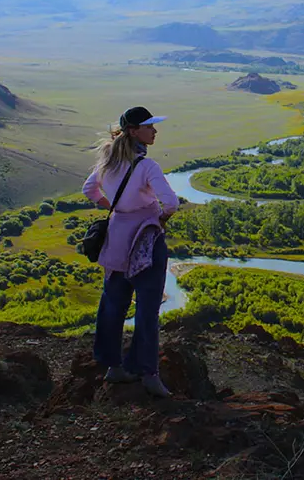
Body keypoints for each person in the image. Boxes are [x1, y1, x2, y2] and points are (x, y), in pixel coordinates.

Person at [83, 105, 179, 396]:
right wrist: (157, 219)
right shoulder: (147, 167)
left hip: (116, 238)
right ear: (135, 131)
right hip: (145, 241)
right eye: (149, 126)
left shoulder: (108, 162)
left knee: (113, 305)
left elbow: (89, 190)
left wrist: (116, 210)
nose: (155, 130)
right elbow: (171, 203)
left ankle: (114, 367)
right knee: (147, 309)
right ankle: (148, 372)